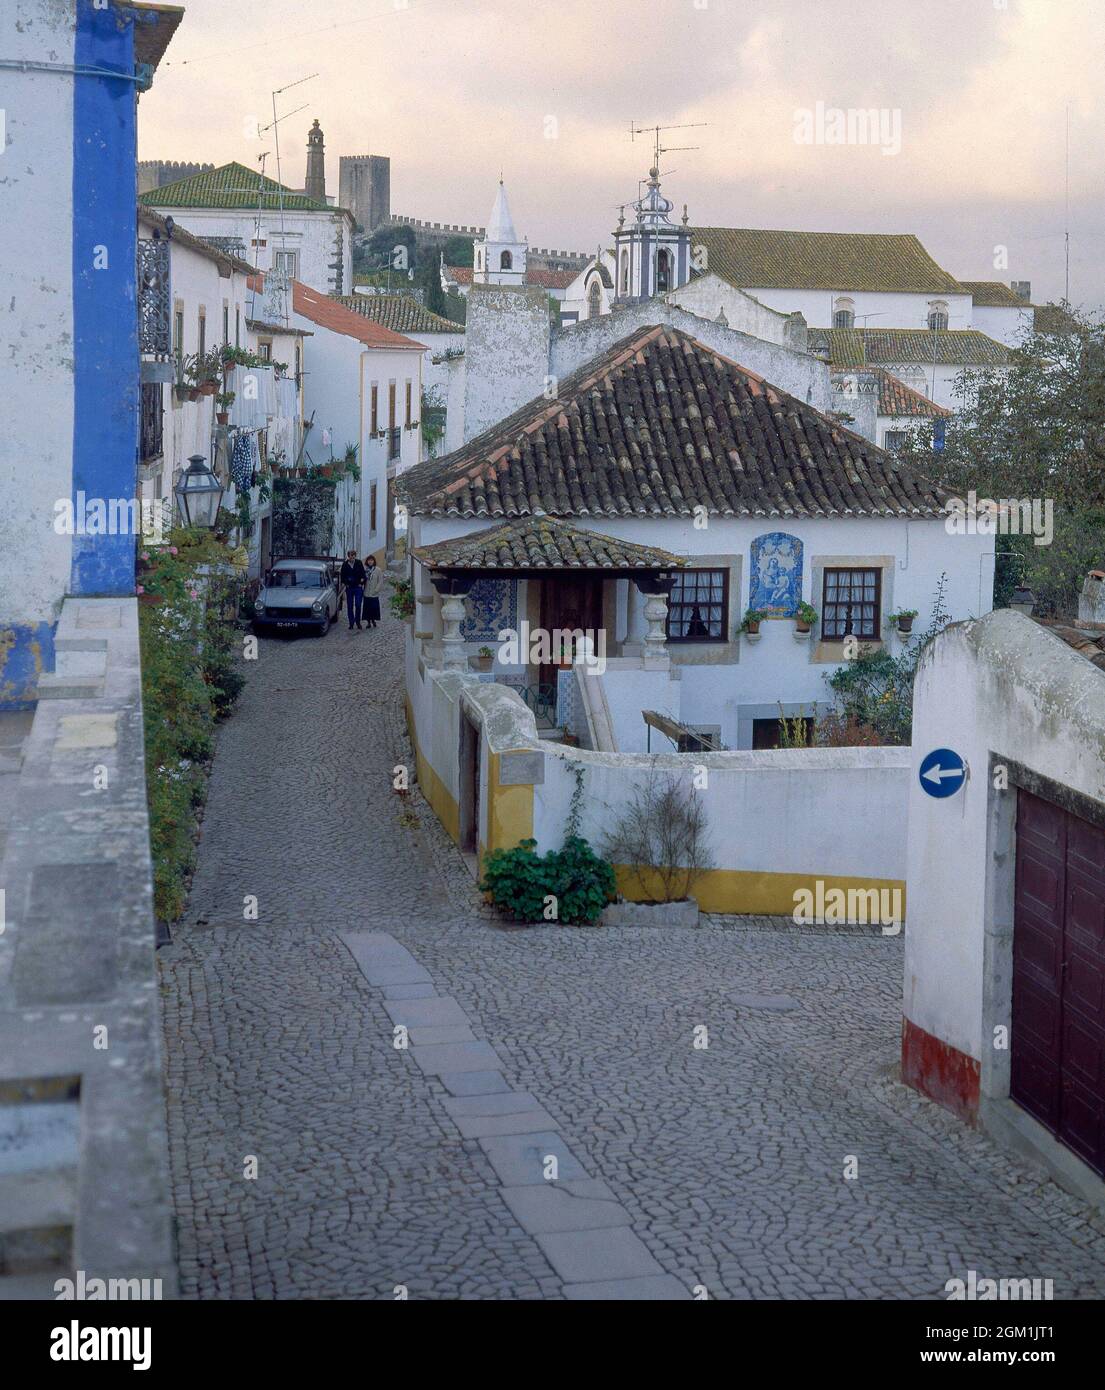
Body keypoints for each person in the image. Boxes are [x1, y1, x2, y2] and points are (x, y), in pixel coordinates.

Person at [340, 550, 366, 629]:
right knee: (350, 606)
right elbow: (342, 576)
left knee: (358, 605)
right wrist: (346, 583)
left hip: (358, 587)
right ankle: (351, 622)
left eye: (354, 555)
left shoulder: (359, 563)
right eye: (351, 555)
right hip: (350, 588)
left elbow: (363, 574)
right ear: (348, 556)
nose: (353, 557)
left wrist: (361, 583)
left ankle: (357, 621)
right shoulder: (345, 564)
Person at [362, 554, 382, 628]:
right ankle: (368, 622)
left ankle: (373, 620)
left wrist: (376, 590)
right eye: (369, 560)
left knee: (374, 608)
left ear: (374, 561)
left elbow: (380, 581)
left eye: (371, 560)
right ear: (367, 561)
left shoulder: (378, 570)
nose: (370, 562)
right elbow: (362, 580)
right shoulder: (365, 570)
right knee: (367, 608)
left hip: (374, 593)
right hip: (366, 592)